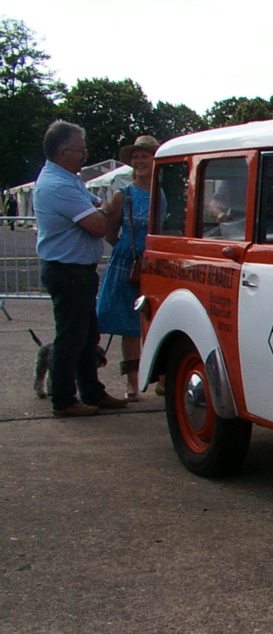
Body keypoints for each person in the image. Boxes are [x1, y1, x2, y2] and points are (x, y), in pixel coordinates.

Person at [35, 120, 129, 417]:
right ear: (63, 153)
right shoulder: (59, 185)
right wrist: (104, 209)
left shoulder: (67, 179)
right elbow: (99, 224)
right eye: (80, 149)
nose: (85, 155)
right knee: (70, 339)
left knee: (87, 336)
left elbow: (98, 207)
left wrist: (101, 208)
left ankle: (92, 392)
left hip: (77, 272)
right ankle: (63, 400)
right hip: (68, 271)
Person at [97, 136, 160, 401]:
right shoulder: (124, 194)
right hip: (129, 261)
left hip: (155, 261)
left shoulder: (162, 193)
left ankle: (162, 379)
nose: (139, 160)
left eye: (145, 155)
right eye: (136, 156)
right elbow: (110, 232)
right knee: (129, 323)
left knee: (156, 319)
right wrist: (129, 251)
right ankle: (133, 384)